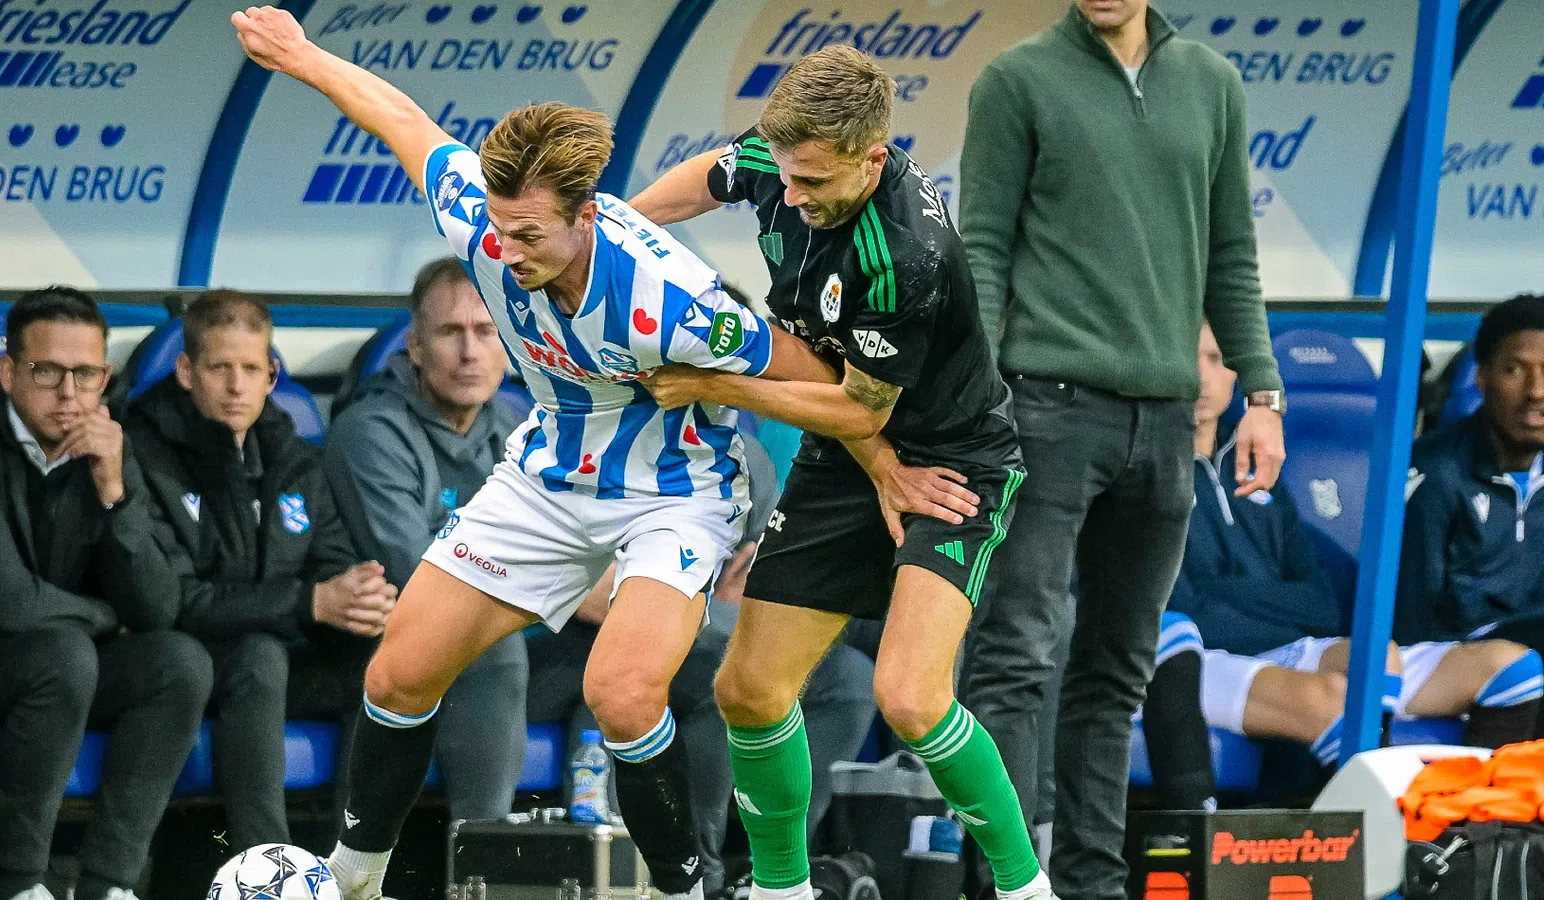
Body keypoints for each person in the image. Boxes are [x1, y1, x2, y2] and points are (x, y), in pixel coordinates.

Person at [232, 9, 836, 898]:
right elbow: (399, 118)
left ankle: (683, 889)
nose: (504, 252)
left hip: (673, 492)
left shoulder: (670, 300)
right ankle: (351, 882)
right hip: (549, 471)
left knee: (622, 693)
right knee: (399, 670)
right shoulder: (484, 218)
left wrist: (744, 398)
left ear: (587, 215)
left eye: (528, 238)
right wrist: (297, 54)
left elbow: (820, 377)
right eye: (499, 231)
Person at [631, 45, 1053, 900]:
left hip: (951, 462)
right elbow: (716, 172)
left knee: (908, 695)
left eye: (810, 182)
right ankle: (781, 891)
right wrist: (617, 229)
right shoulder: (790, 153)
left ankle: (1024, 888)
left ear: (873, 158)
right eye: (782, 173)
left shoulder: (906, 253)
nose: (788, 194)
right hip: (846, 452)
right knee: (748, 689)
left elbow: (863, 410)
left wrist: (714, 384)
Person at [955, 0, 1286, 894]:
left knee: (1117, 670)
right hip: (1042, 409)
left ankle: (1094, 883)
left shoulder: (1212, 82)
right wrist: (977, 401)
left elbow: (1232, 252)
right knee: (1017, 655)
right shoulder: (1016, 79)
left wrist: (1260, 392)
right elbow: (979, 251)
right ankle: (1003, 884)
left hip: (1168, 419)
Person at [0, 287, 212, 900]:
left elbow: (159, 609)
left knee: (179, 664)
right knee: (61, 656)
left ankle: (110, 882)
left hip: (61, 659)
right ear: (9, 372)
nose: (69, 394)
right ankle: (16, 880)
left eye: (86, 374)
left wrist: (115, 490)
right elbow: (9, 604)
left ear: (106, 377)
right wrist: (104, 616)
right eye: (47, 372)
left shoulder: (107, 445)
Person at [1138, 325, 1541, 812]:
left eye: (1215, 358)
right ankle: (1374, 839)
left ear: (1238, 373)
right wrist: (1271, 599)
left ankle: (1486, 832)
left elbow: (1321, 602)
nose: (1200, 376)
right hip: (1192, 664)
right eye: (1183, 356)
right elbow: (1181, 609)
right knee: (1336, 701)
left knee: (1509, 668)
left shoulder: (1256, 460)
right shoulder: (1138, 468)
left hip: (1288, 649)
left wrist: (1234, 593)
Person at [525, 433, 877, 898]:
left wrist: (738, 609)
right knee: (722, 661)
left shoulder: (739, 449)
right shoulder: (597, 431)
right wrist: (714, 609)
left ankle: (772, 869)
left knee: (847, 678)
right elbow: (587, 591)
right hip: (565, 644)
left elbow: (751, 571)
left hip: (688, 632)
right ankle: (698, 877)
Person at [124, 290, 397, 853]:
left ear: (272, 375)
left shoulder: (290, 452)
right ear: (185, 371)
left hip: (277, 661)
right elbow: (175, 599)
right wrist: (309, 603)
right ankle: (266, 868)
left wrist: (359, 598)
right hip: (189, 665)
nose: (236, 385)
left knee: (380, 663)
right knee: (259, 655)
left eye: (251, 368)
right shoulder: (147, 452)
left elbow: (331, 558)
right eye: (219, 368)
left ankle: (353, 868)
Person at [326, 258, 530, 823]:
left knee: (687, 655)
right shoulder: (371, 430)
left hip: (514, 622)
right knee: (494, 647)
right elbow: (423, 577)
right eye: (450, 332)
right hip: (395, 640)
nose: (470, 352)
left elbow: (580, 547)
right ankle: (484, 870)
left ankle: (704, 879)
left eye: (486, 332)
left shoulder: (519, 427)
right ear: (415, 346)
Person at [1397, 295, 1544, 648]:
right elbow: (1410, 625)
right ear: (1482, 376)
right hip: (1458, 664)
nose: (1536, 391)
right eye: (1515, 370)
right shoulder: (1435, 472)